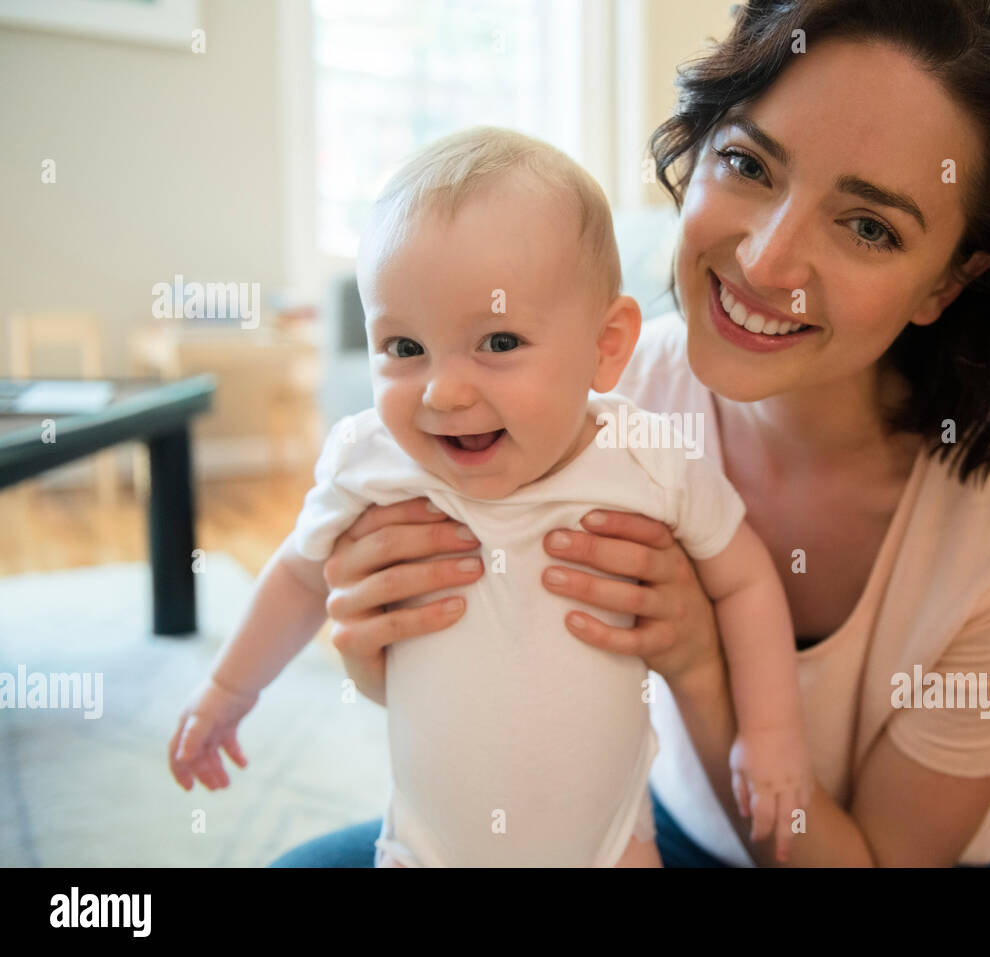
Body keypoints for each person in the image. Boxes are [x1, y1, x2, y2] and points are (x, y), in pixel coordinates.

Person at [273, 0, 990, 868]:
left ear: (946, 284)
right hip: (642, 825)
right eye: (748, 162)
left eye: (868, 227)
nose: (766, 262)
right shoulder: (585, 392)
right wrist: (380, 646)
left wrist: (701, 665)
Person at [169, 126, 814, 867]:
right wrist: (227, 689)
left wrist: (770, 732)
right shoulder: (372, 459)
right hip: (430, 847)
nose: (443, 391)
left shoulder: (649, 458)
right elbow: (297, 573)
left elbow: (745, 580)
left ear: (607, 347)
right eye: (404, 348)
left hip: (611, 845)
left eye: (499, 343)